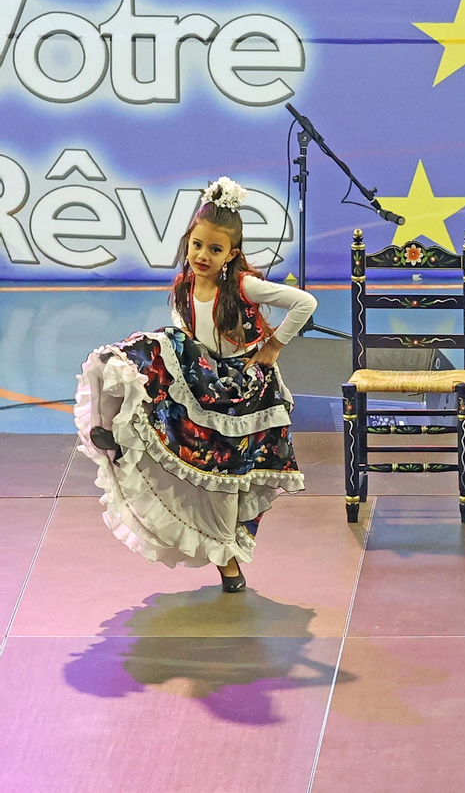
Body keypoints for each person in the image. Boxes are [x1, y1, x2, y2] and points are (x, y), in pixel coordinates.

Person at [75, 178, 317, 592]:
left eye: (215, 249)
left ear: (232, 254)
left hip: (241, 390)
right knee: (145, 355)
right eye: (198, 245)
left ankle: (228, 563)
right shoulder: (184, 287)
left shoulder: (242, 286)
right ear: (188, 241)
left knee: (221, 474)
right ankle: (117, 431)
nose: (203, 256)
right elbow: (186, 332)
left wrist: (275, 345)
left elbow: (305, 303)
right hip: (204, 376)